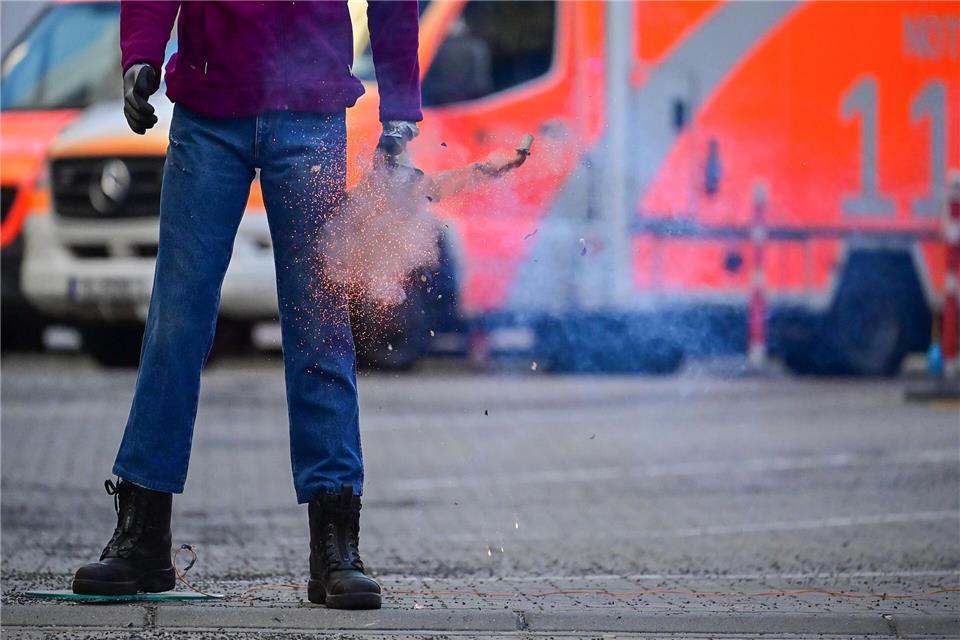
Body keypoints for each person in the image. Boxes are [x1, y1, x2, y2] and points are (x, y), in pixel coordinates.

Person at [71, 0, 422, 610]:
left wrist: (401, 108)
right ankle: (143, 536)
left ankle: (335, 540)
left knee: (320, 325)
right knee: (176, 322)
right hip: (210, 110)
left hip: (308, 112)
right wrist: (141, 54)